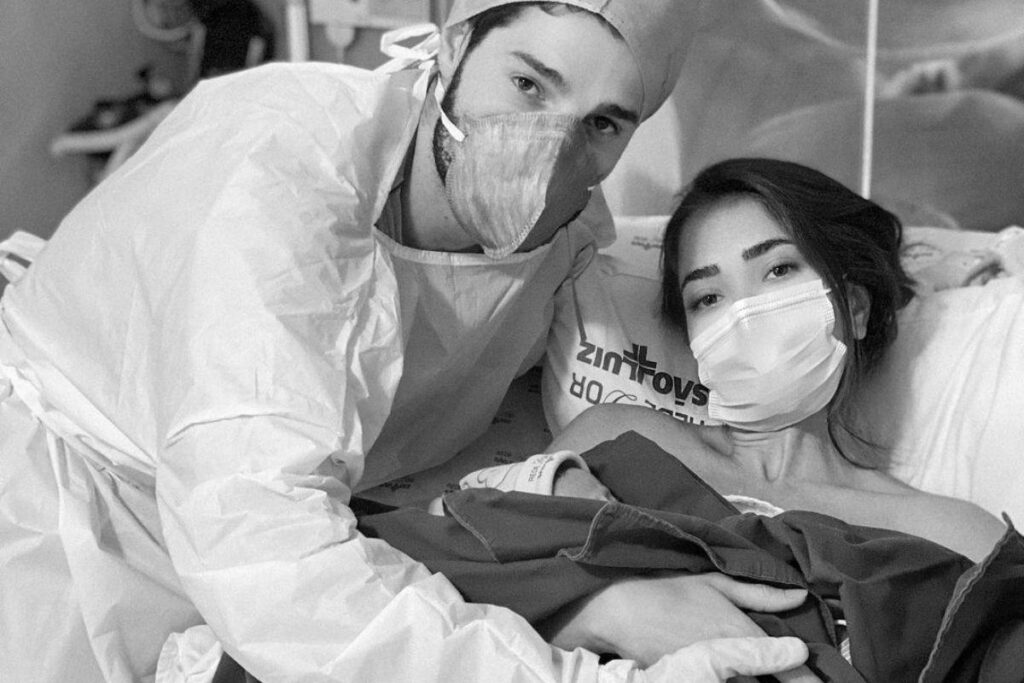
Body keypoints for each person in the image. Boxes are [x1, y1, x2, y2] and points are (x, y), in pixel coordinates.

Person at [0, 6, 813, 683]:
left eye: (602, 123)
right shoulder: (280, 181)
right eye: (529, 84)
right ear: (452, 48)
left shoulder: (567, 246)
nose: (551, 146)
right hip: (69, 522)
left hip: (268, 564)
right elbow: (270, 561)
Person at [352, 158, 1019, 681]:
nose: (743, 313)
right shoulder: (618, 437)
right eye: (708, 297)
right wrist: (604, 609)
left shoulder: (950, 532)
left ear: (857, 307)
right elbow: (431, 578)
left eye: (778, 269)